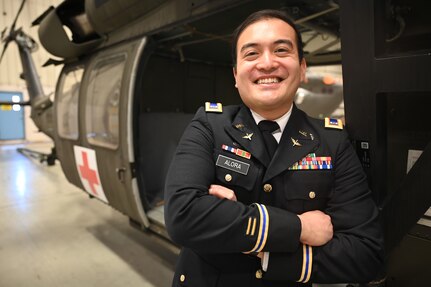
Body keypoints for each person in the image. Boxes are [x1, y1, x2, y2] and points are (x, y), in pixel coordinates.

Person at [164, 9, 384, 287]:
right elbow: (182, 215)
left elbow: (366, 255)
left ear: (302, 68)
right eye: (251, 54)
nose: (267, 64)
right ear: (235, 74)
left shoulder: (333, 142)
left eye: (281, 50)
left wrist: (261, 250)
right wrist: (300, 228)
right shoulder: (210, 125)